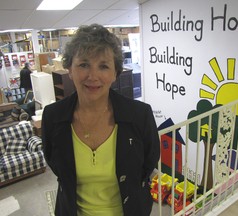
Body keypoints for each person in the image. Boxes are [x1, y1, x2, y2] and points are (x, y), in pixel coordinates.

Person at [41, 23, 160, 216]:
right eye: (84, 64)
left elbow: (148, 163)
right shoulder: (53, 116)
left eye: (103, 66)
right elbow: (56, 165)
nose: (93, 76)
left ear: (115, 74)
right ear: (70, 69)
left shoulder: (140, 115)